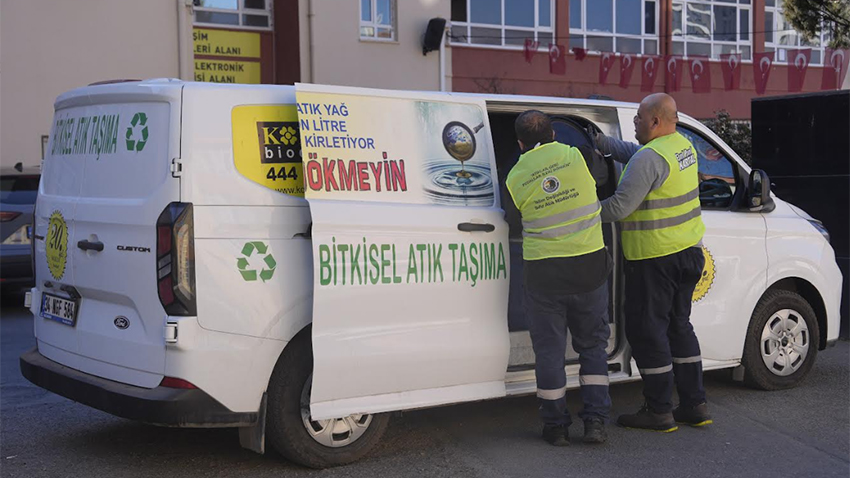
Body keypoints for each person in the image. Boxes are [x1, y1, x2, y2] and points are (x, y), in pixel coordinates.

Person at [595, 93, 711, 432]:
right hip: (688, 253)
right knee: (679, 326)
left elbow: (619, 207)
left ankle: (659, 410)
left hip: (655, 259)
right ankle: (695, 404)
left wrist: (575, 213)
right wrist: (606, 144)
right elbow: (640, 156)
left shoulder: (649, 158)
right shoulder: (682, 146)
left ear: (655, 121)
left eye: (638, 118)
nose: (634, 122)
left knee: (648, 331)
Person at [506, 110, 613, 446]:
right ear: (553, 134)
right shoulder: (579, 156)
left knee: (550, 353)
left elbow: (512, 222)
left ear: (520, 143)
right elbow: (604, 178)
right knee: (593, 347)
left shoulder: (514, 176)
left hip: (544, 275)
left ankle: (555, 427)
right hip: (588, 269)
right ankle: (595, 423)